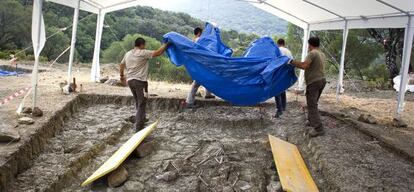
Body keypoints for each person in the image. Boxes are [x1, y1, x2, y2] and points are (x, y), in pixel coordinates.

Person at [120, 37, 169, 131]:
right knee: (141, 103)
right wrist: (167, 45)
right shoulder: (143, 53)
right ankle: (138, 127)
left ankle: (142, 118)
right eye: (144, 45)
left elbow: (121, 64)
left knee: (138, 101)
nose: (144, 46)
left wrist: (122, 76)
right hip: (139, 82)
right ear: (142, 45)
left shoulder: (127, 54)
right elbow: (158, 52)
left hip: (130, 81)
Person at [290, 37, 326, 137]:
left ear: (310, 44)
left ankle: (318, 128)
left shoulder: (312, 53)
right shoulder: (322, 54)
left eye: (308, 45)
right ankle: (311, 121)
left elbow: (304, 66)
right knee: (314, 103)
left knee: (312, 105)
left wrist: (291, 62)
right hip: (322, 80)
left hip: (314, 82)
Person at [185, 27, 215, 108]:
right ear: (199, 33)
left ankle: (208, 94)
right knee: (196, 83)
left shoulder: (194, 40)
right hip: (200, 64)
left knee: (207, 78)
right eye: (202, 33)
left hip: (198, 64)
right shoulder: (199, 40)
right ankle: (189, 102)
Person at [274, 38, 293, 118]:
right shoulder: (288, 51)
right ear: (284, 43)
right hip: (285, 73)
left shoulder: (277, 50)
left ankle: (279, 109)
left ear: (278, 44)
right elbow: (292, 62)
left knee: (276, 90)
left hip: (278, 72)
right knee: (282, 89)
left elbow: (274, 62)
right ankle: (284, 106)